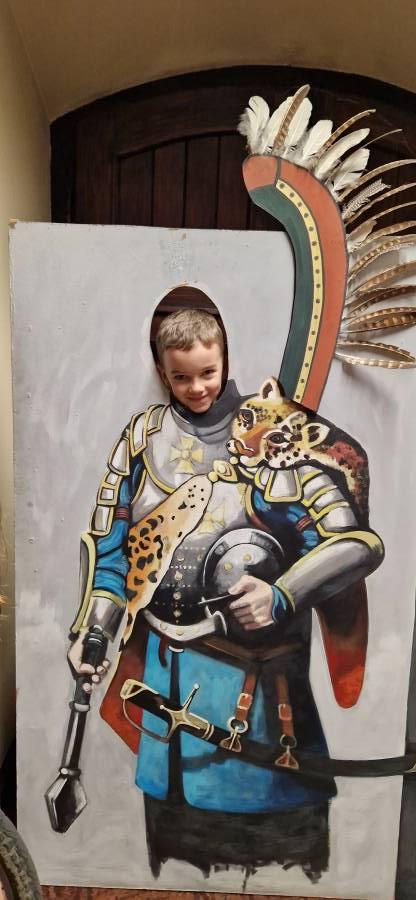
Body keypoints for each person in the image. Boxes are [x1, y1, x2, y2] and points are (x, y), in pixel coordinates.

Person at [67, 308, 383, 883]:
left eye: (207, 373)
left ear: (225, 359)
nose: (196, 388)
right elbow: (114, 553)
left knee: (281, 872)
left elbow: (356, 544)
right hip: (160, 700)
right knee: (172, 869)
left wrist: (281, 594)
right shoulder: (140, 440)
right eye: (181, 377)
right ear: (162, 372)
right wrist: (95, 631)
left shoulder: (272, 433)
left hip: (256, 704)